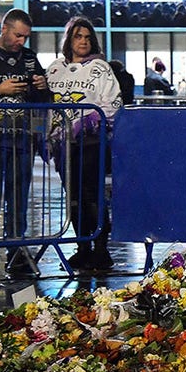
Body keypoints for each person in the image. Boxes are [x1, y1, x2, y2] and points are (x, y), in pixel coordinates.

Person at [0, 8, 48, 276]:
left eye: (26, 37)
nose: (21, 42)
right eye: (17, 35)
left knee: (18, 199)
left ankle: (16, 250)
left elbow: (42, 102)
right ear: (4, 29)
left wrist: (40, 86)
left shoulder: (29, 58)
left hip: (22, 139)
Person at [46, 17, 122, 272]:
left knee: (91, 195)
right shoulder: (55, 68)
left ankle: (101, 248)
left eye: (88, 37)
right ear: (69, 38)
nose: (83, 42)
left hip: (91, 143)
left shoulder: (101, 68)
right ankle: (83, 248)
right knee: (74, 198)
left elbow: (113, 105)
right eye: (78, 36)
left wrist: (89, 120)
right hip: (63, 145)